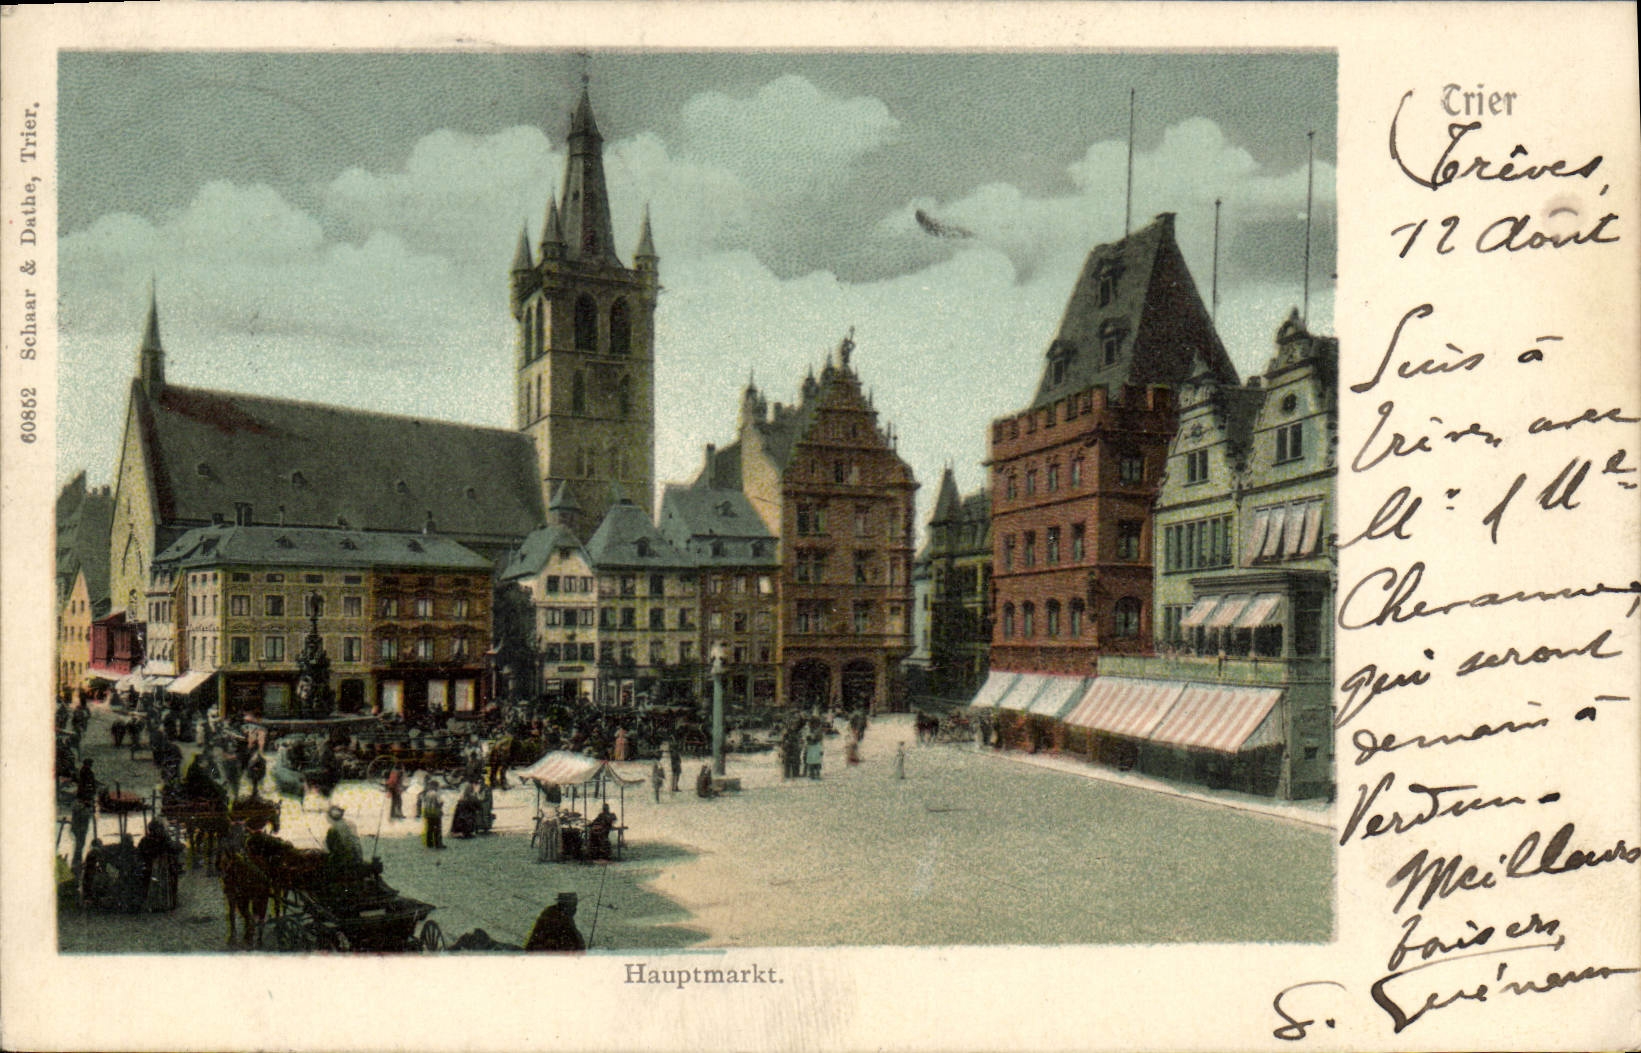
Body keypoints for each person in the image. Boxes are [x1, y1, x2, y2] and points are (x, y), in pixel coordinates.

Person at [70, 759, 97, 876]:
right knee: (80, 843)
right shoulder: (89, 775)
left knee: (79, 843)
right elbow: (91, 789)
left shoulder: (82, 773)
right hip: (81, 817)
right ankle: (77, 863)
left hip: (78, 819)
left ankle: (77, 861)